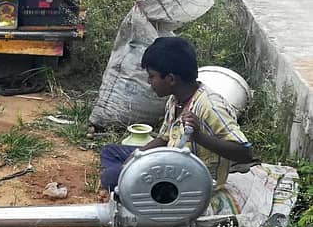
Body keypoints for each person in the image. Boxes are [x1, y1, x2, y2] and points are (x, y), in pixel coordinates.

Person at [99, 37, 252, 193]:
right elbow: (164, 138)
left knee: (111, 177)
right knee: (110, 152)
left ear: (171, 79)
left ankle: (126, 186)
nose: (149, 81)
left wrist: (200, 137)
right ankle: (127, 182)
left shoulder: (210, 106)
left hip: (188, 180)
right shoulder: (175, 100)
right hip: (170, 160)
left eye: (152, 76)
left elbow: (244, 153)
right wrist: (134, 158)